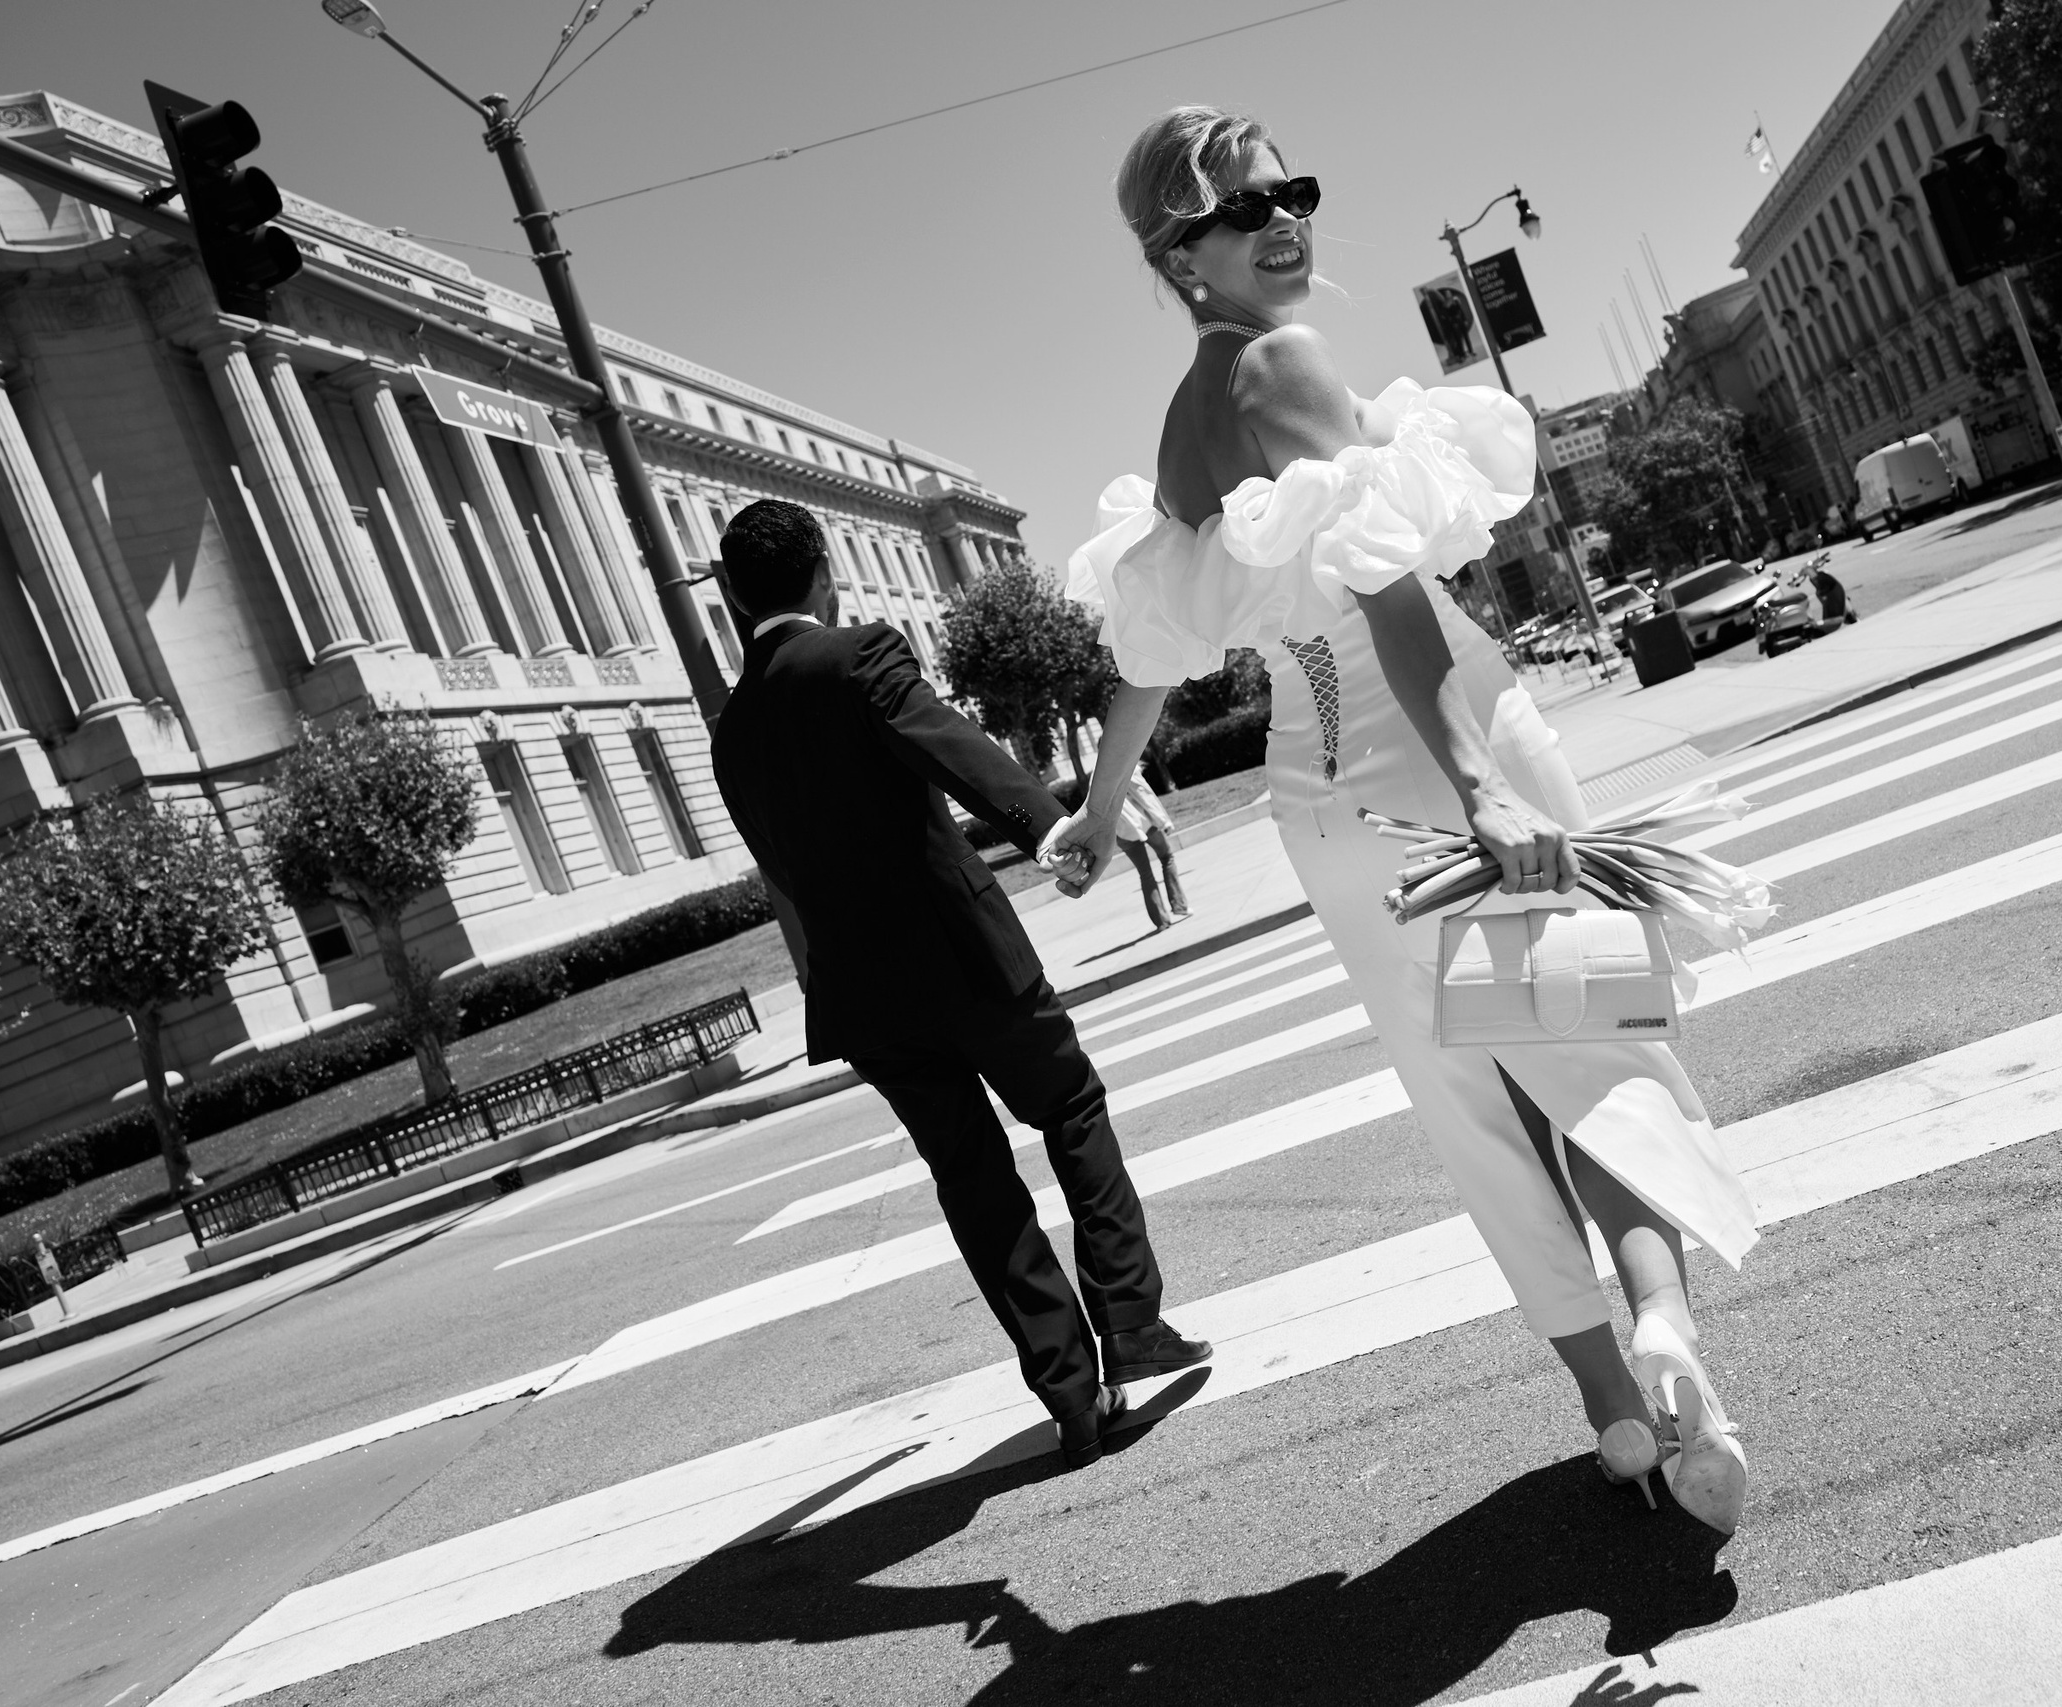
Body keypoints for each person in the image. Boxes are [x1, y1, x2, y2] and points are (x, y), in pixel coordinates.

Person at [1046, 110, 1757, 1532]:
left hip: (1324, 810)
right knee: (1592, 1036)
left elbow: (1152, 655)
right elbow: (1384, 593)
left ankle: (1614, 1415)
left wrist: (1103, 804)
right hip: (1446, 752)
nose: (1285, 219)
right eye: (1243, 210)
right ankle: (1670, 1336)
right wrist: (1483, 787)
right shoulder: (1286, 362)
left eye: (1292, 189)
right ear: (1177, 257)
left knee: (1473, 1107)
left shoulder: (1186, 418)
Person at [708, 499, 1209, 1469]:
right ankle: (1130, 1320)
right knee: (1070, 1108)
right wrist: (1047, 825)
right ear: (824, 573)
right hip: (963, 956)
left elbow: (787, 865)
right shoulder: (859, 655)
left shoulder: (730, 734)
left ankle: (1068, 1392)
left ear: (731, 594)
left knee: (972, 1184)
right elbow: (945, 742)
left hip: (860, 997)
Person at [1114, 770, 1190, 927]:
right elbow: (1144, 794)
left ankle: (1161, 921)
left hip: (1121, 832)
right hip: (1143, 823)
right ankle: (1179, 905)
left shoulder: (1094, 778)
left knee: (1145, 874)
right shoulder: (1125, 763)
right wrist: (1164, 821)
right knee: (1167, 857)